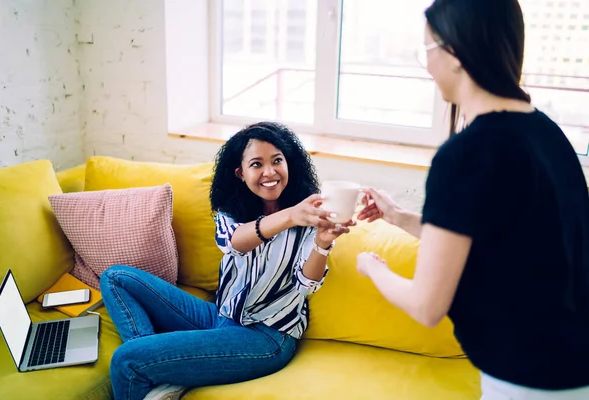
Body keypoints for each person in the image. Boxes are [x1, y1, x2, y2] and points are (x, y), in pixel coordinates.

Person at [355, 0, 589, 399]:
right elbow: (492, 240)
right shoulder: (545, 132)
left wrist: (371, 268)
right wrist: (397, 217)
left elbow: (427, 306)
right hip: (571, 365)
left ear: (457, 54)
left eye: (427, 50)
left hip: (527, 377)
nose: (426, 66)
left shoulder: (467, 154)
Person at [101, 121, 353, 400]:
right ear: (240, 173)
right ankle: (167, 372)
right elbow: (234, 243)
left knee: (127, 361)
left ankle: (161, 368)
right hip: (222, 317)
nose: (269, 172)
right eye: (256, 164)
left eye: (277, 161)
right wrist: (288, 216)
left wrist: (322, 243)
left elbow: (306, 285)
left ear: (289, 164)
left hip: (265, 337)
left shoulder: (307, 217)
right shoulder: (232, 212)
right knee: (115, 278)